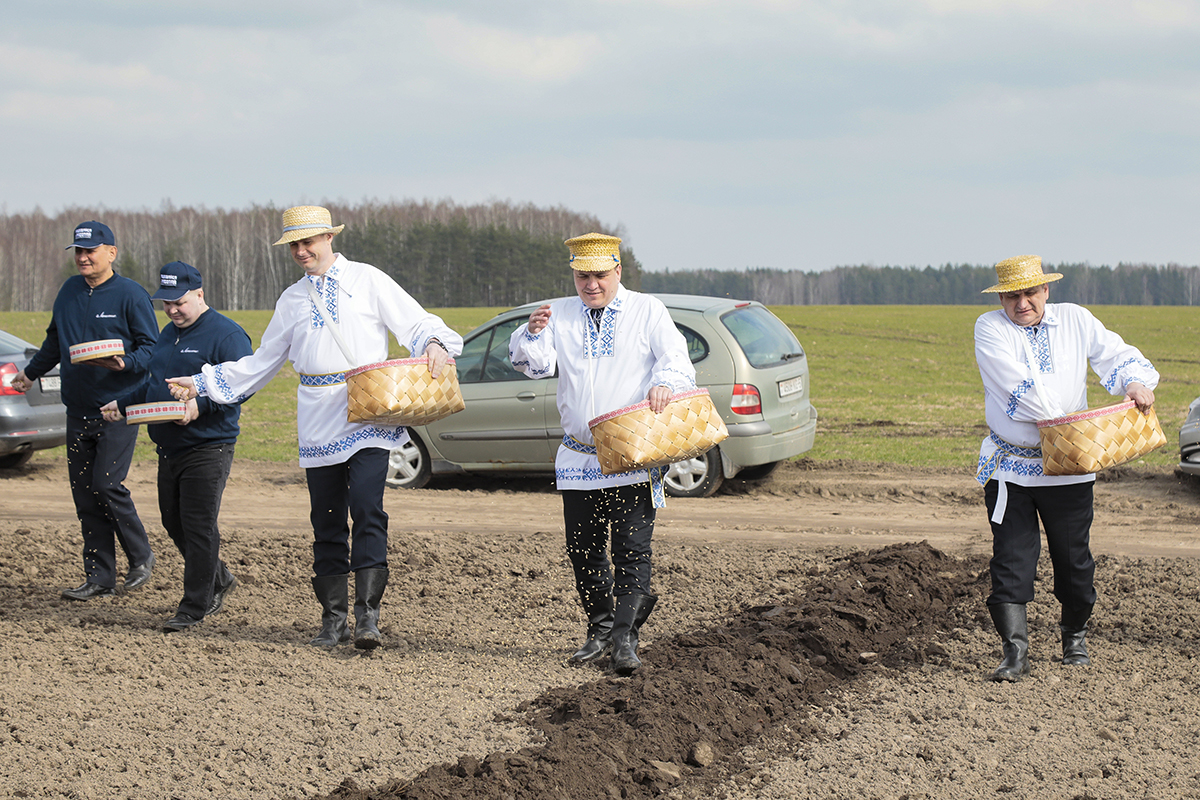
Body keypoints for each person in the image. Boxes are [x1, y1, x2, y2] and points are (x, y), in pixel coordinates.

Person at [165, 206, 462, 650]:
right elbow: (262, 362)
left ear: (328, 238)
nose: (302, 252)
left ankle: (367, 618)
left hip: (366, 410)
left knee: (366, 507)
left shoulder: (367, 280)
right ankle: (332, 619)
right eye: (294, 246)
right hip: (317, 416)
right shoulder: (292, 299)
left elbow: (413, 322)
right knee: (325, 519)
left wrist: (435, 343)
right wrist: (203, 383)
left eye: (308, 242)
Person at [509, 232, 697, 675]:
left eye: (598, 275)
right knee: (583, 548)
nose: (590, 284)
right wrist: (531, 332)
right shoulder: (560, 313)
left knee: (632, 550)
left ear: (617, 271)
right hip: (578, 457)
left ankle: (626, 639)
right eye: (581, 276)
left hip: (630, 453)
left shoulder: (646, 310)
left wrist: (665, 382)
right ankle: (599, 631)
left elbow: (676, 360)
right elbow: (535, 366)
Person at [974, 254, 1159, 681]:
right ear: (1001, 297)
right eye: (1012, 295)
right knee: (1012, 559)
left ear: (1046, 291)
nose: (1022, 303)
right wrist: (1071, 425)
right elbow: (1014, 388)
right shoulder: (990, 328)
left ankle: (1073, 635)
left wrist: (1132, 381)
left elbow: (1115, 354)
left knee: (1075, 563)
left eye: (1030, 293)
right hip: (1012, 468)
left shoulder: (1075, 320)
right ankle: (1014, 653)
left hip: (1070, 468)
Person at [100, 262, 253, 632]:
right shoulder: (168, 335)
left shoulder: (227, 335)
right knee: (173, 520)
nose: (171, 310)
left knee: (198, 525)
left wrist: (200, 404)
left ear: (199, 294)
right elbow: (154, 385)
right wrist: (122, 404)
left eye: (179, 302)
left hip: (208, 445)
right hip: (168, 445)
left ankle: (194, 606)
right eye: (165, 303)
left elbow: (244, 385)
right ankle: (219, 577)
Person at [11, 221, 158, 600]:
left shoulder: (130, 295)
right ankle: (99, 577)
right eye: (78, 251)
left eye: (90, 251)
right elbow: (54, 341)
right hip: (76, 410)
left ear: (111, 252)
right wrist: (29, 375)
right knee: (84, 495)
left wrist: (123, 364)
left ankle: (141, 556)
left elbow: (151, 350)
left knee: (107, 484)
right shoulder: (69, 292)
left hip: (116, 409)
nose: (83, 257)